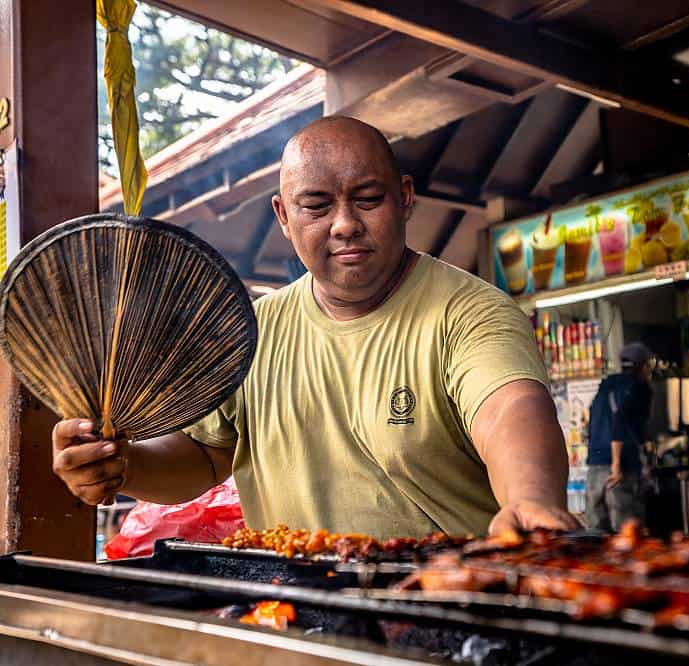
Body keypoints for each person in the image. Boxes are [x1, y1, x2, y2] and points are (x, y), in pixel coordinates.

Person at [50, 116, 578, 539]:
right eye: (317, 205)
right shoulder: (248, 332)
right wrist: (121, 465)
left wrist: (529, 499)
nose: (345, 223)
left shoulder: (468, 312)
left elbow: (510, 410)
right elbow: (205, 455)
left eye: (367, 198)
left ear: (406, 198)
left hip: (445, 610)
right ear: (283, 215)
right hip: (293, 616)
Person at [585, 342, 653, 531]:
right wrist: (616, 465)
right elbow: (620, 421)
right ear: (643, 365)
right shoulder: (639, 388)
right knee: (627, 534)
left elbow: (590, 425)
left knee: (596, 535)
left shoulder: (605, 386)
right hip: (621, 470)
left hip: (594, 469)